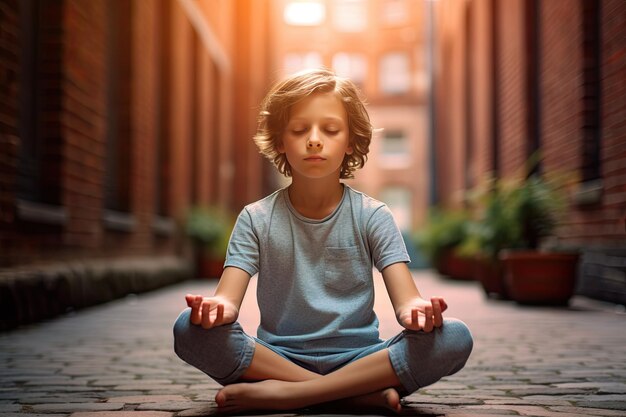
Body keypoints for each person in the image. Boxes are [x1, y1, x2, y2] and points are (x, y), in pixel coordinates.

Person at [173, 68, 473, 413]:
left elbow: (407, 303)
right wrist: (217, 309)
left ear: (349, 142)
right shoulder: (255, 218)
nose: (314, 139)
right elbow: (227, 299)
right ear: (282, 140)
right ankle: (354, 396)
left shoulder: (373, 215)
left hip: (362, 358)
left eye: (330, 130)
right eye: (300, 130)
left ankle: (288, 395)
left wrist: (417, 312)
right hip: (275, 358)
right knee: (188, 327)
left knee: (455, 336)